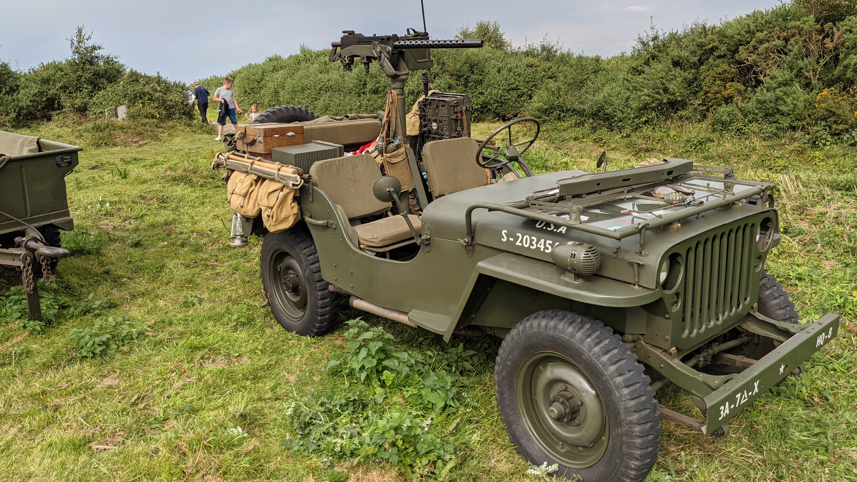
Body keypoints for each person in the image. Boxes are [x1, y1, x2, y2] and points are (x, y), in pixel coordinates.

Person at [213, 77, 242, 141]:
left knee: (234, 121)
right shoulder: (219, 89)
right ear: (227, 83)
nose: (231, 86)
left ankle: (239, 134)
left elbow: (234, 99)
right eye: (231, 84)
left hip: (231, 108)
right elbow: (214, 98)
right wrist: (220, 100)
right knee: (221, 122)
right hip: (223, 108)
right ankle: (219, 136)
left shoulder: (230, 90)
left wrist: (237, 108)